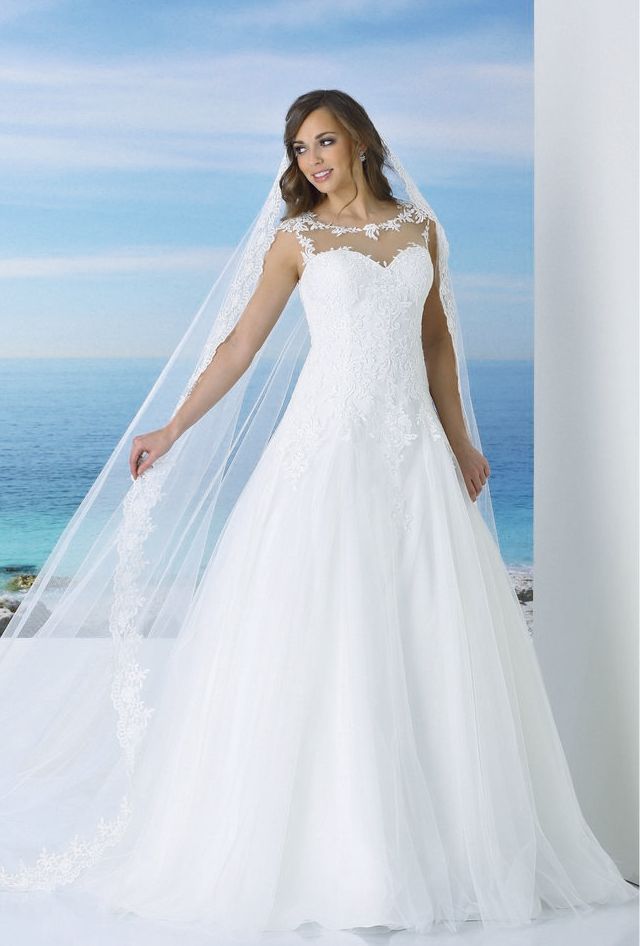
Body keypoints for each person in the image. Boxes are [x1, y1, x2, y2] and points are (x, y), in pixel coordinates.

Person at [0, 89, 636, 939]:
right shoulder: (295, 240)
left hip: (412, 455)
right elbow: (240, 346)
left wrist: (460, 441)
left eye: (325, 141)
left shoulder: (422, 231)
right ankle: (338, 853)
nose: (312, 160)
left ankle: (441, 846)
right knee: (326, 630)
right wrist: (174, 427)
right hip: (324, 454)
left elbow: (436, 341)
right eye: (300, 148)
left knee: (429, 629)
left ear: (361, 141)